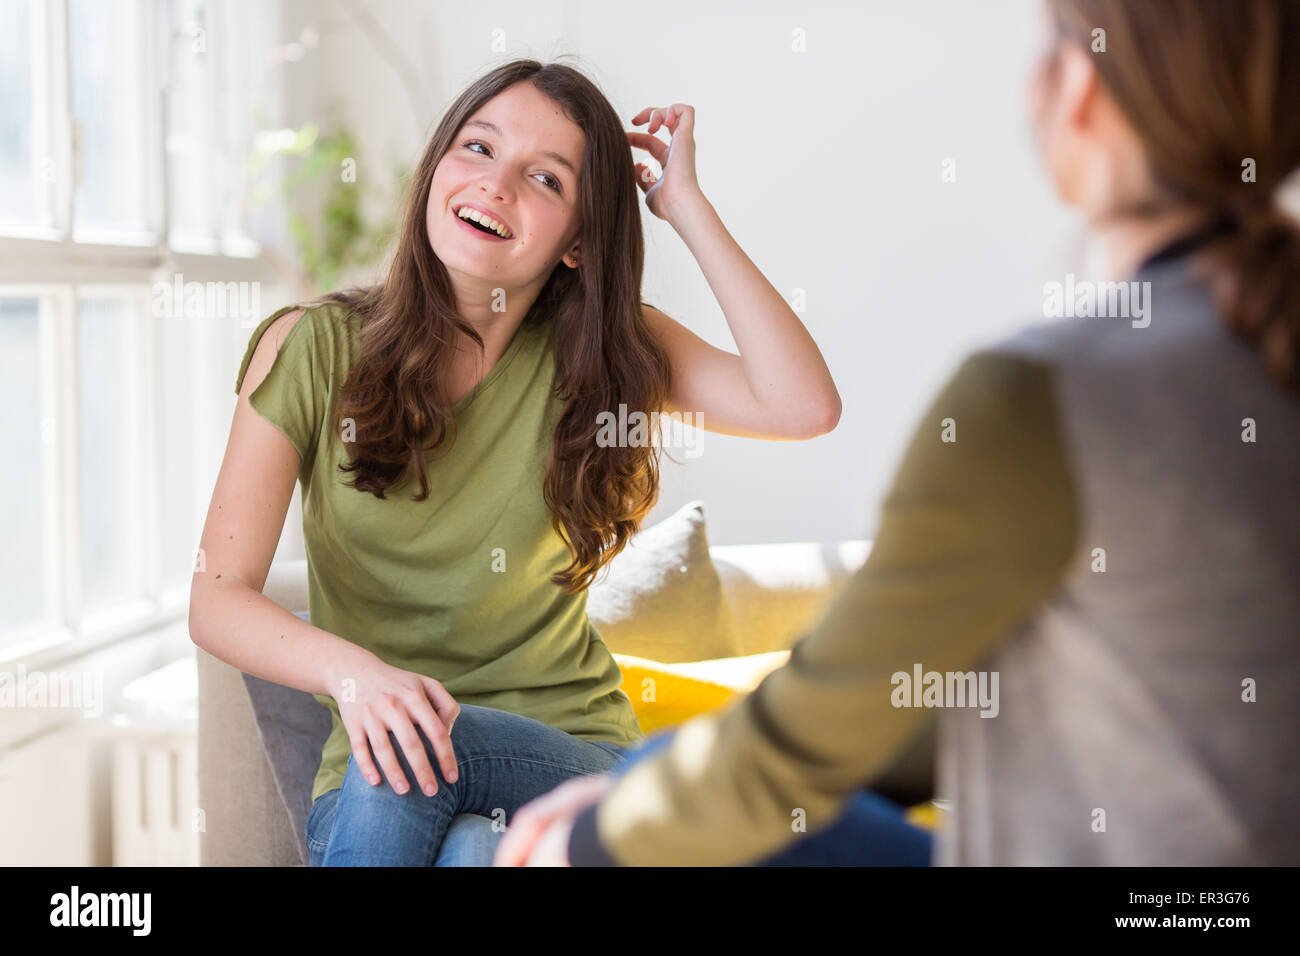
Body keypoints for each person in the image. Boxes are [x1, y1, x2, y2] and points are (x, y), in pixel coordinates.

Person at [497, 0, 1300, 867]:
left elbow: (809, 735)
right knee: (663, 780)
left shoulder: (1043, 395)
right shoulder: (1244, 347)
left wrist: (587, 840)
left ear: (1079, 91)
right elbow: (935, 708)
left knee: (656, 808)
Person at [187, 58, 842, 866]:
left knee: (431, 742)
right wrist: (356, 676)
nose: (496, 185)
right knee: (466, 846)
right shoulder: (313, 349)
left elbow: (802, 405)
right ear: (436, 171)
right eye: (478, 147)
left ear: (576, 244)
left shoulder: (609, 354)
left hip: (576, 761)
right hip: (371, 784)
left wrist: (685, 206)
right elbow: (216, 595)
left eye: (545, 179)